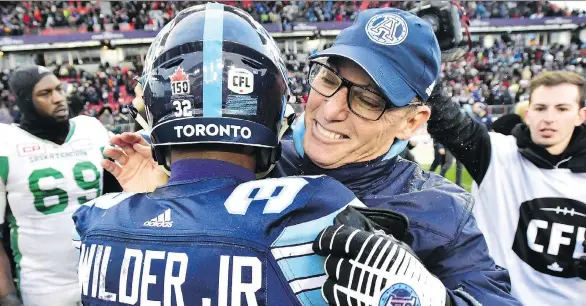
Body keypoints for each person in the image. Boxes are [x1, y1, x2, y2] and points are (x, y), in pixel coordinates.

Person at [103, 7, 520, 306]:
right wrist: (164, 193)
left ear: (413, 121)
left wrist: (426, 298)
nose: (331, 108)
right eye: (328, 78)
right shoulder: (252, 157)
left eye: (368, 99)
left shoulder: (440, 211)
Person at [427, 70, 586, 305]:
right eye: (541, 108)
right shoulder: (496, 153)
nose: (549, 118)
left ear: (580, 115)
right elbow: (442, 116)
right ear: (528, 113)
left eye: (562, 109)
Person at [0, 66, 121, 306]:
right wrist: (7, 295)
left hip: (104, 279)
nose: (58, 98)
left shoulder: (91, 129)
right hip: (43, 288)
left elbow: (121, 197)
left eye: (58, 89)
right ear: (25, 101)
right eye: (44, 93)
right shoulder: (6, 144)